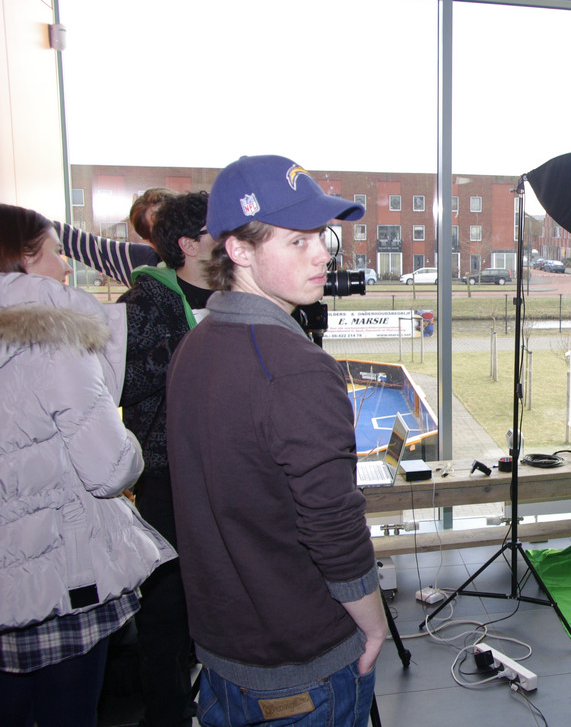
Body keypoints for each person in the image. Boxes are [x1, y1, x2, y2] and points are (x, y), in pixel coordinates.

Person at [166, 155, 388, 726]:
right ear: (238, 250)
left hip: (224, 653)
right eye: (297, 241)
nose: (322, 255)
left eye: (322, 236)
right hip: (304, 666)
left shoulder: (196, 345)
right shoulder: (295, 368)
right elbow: (332, 524)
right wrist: (374, 623)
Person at [0, 204, 175, 727]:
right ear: (24, 258)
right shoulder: (54, 336)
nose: (65, 265)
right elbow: (108, 467)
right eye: (56, 252)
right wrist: (136, 446)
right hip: (57, 575)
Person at [118, 191, 215, 726]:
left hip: (223, 472)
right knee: (165, 611)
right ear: (187, 245)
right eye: (217, 230)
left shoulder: (236, 294)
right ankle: (166, 714)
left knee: (220, 598)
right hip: (167, 478)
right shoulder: (144, 303)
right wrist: (184, 346)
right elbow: (122, 384)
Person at [56, 187, 172, 287]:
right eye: (163, 230)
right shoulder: (141, 262)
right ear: (149, 241)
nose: (176, 231)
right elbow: (70, 238)